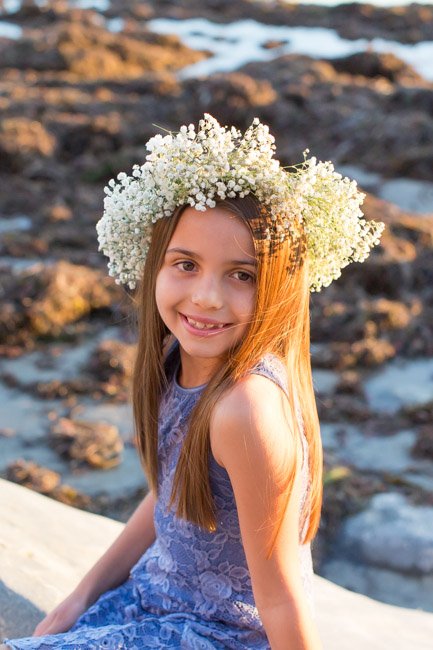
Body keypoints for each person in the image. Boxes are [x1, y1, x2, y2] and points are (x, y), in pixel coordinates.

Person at [2, 115, 384, 650]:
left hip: (211, 636)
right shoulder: (173, 357)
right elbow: (169, 496)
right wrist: (79, 597)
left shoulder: (245, 410)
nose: (206, 297)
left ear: (279, 287)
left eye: (242, 275)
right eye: (186, 264)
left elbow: (280, 599)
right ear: (155, 264)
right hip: (151, 603)